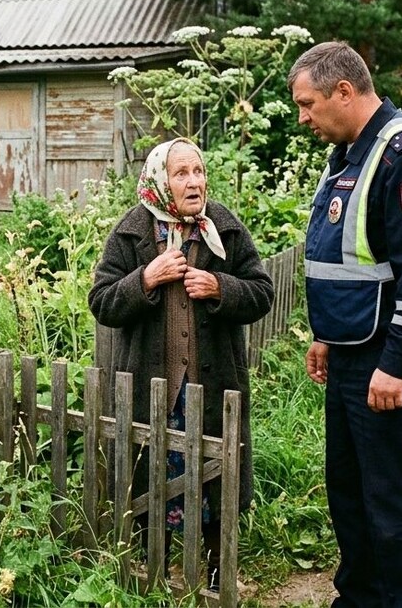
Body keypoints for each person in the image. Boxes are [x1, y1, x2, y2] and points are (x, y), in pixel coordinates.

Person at [288, 41, 402, 608]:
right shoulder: (349, 154)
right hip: (349, 353)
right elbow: (348, 258)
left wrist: (397, 363)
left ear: (344, 91)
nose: (303, 118)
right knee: (351, 494)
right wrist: (326, 335)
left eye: (308, 104)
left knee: (394, 503)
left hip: (390, 361)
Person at [88, 138, 274, 591]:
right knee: (149, 472)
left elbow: (262, 293)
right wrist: (145, 279)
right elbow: (101, 302)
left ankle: (215, 574)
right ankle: (149, 573)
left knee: (214, 479)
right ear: (159, 182)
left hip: (212, 388)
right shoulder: (131, 232)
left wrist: (220, 287)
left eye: (199, 171)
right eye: (182, 174)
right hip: (151, 392)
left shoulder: (224, 229)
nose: (194, 182)